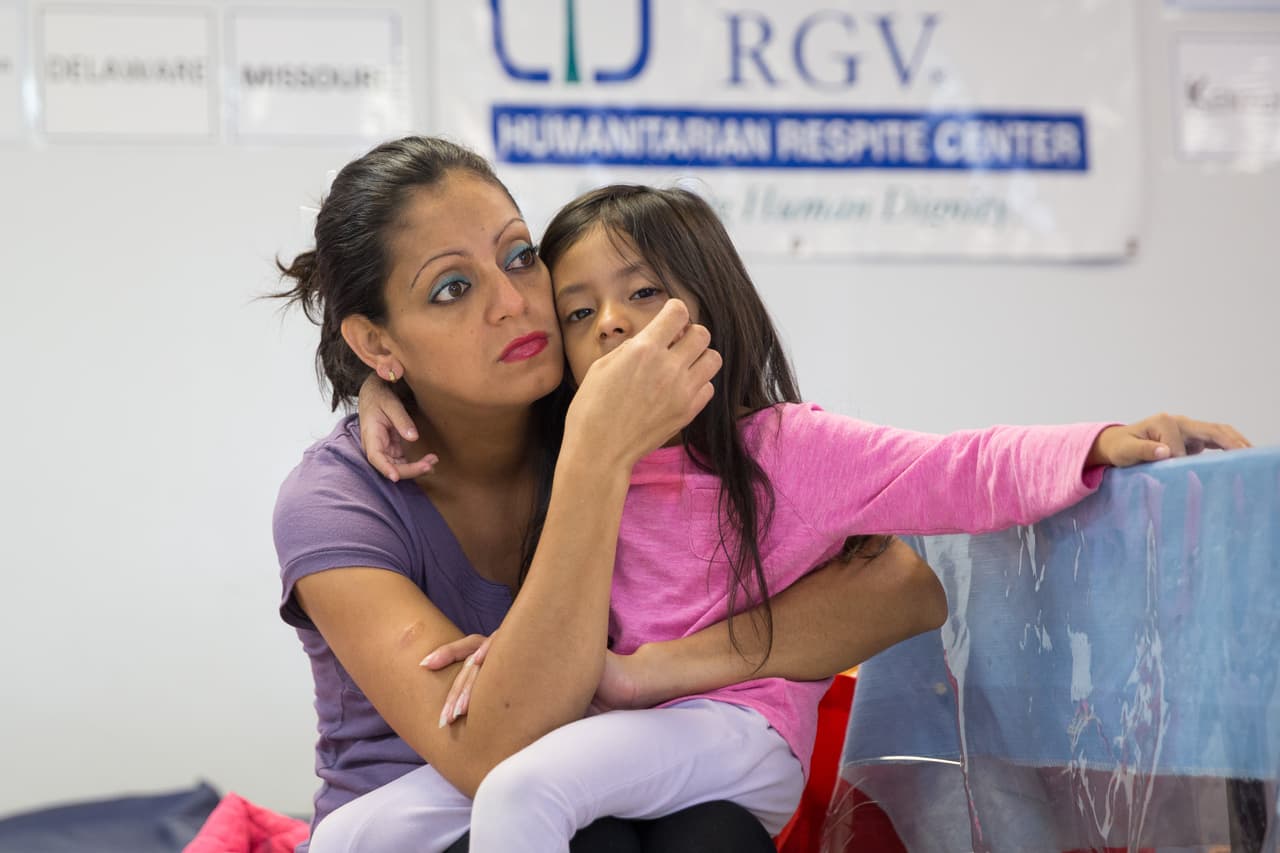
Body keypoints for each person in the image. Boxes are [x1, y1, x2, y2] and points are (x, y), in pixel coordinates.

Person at [357, 183, 1252, 852]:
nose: (611, 328)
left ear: (710, 301)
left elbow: (958, 468)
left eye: (641, 294)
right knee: (356, 834)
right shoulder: (585, 457)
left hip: (740, 732)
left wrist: (1098, 441)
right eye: (580, 312)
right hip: (620, 728)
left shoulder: (786, 446)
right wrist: (376, 393)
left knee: (521, 793)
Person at [272, 136, 950, 853]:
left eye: (519, 257)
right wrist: (595, 459)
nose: (512, 303)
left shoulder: (587, 406)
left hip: (613, 791)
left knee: (716, 832)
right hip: (425, 824)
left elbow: (898, 586)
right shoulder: (334, 500)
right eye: (452, 289)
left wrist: (651, 670)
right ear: (378, 345)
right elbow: (493, 753)